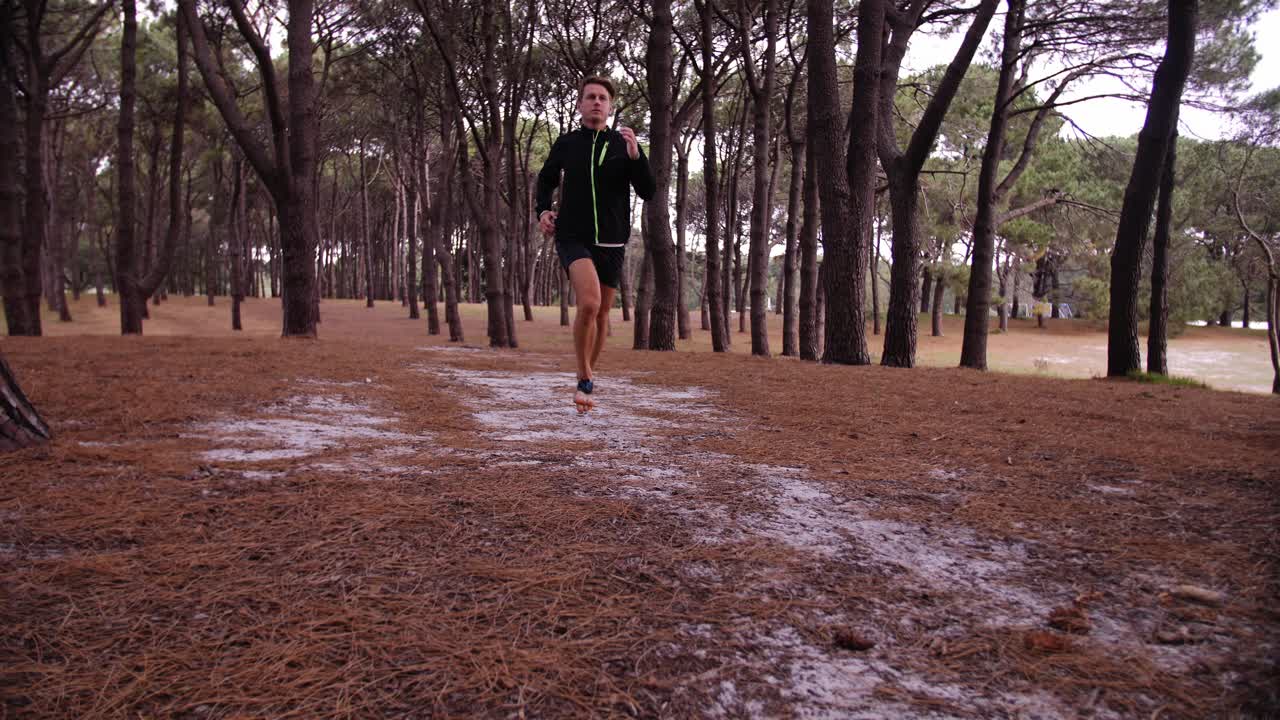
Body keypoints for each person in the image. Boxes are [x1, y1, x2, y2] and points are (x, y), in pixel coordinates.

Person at [535, 77, 656, 413]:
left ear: (610, 106)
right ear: (580, 104)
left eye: (603, 98)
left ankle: (586, 381)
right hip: (573, 235)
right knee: (589, 303)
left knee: (603, 313)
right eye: (590, 97)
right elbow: (545, 180)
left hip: (613, 240)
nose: (597, 102)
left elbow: (648, 191)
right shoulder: (568, 143)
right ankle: (584, 372)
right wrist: (543, 210)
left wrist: (636, 158)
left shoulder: (624, 144)